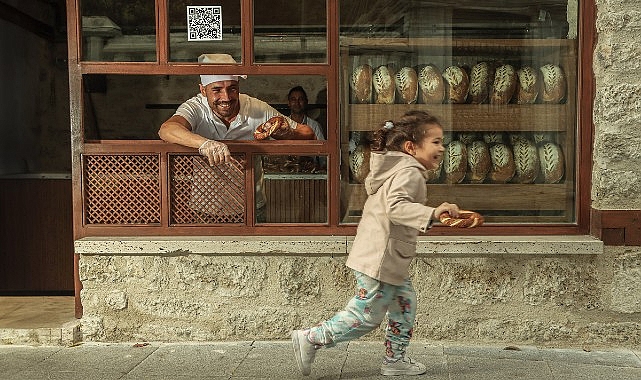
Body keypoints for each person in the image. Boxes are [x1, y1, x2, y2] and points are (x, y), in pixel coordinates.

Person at [290, 110, 461, 377]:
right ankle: (313, 338)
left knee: (405, 304)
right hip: (381, 257)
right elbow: (396, 207)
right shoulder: (410, 173)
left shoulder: (400, 168)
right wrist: (432, 212)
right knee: (367, 315)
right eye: (436, 142)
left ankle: (395, 360)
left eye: (442, 141)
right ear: (411, 147)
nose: (442, 147)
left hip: (388, 255)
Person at [158, 53, 315, 222]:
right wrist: (206, 144)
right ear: (203, 90)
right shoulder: (196, 108)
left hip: (252, 206)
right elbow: (167, 129)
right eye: (217, 90)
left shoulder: (256, 108)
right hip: (205, 208)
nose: (226, 97)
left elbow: (309, 134)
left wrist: (289, 133)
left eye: (232, 88)